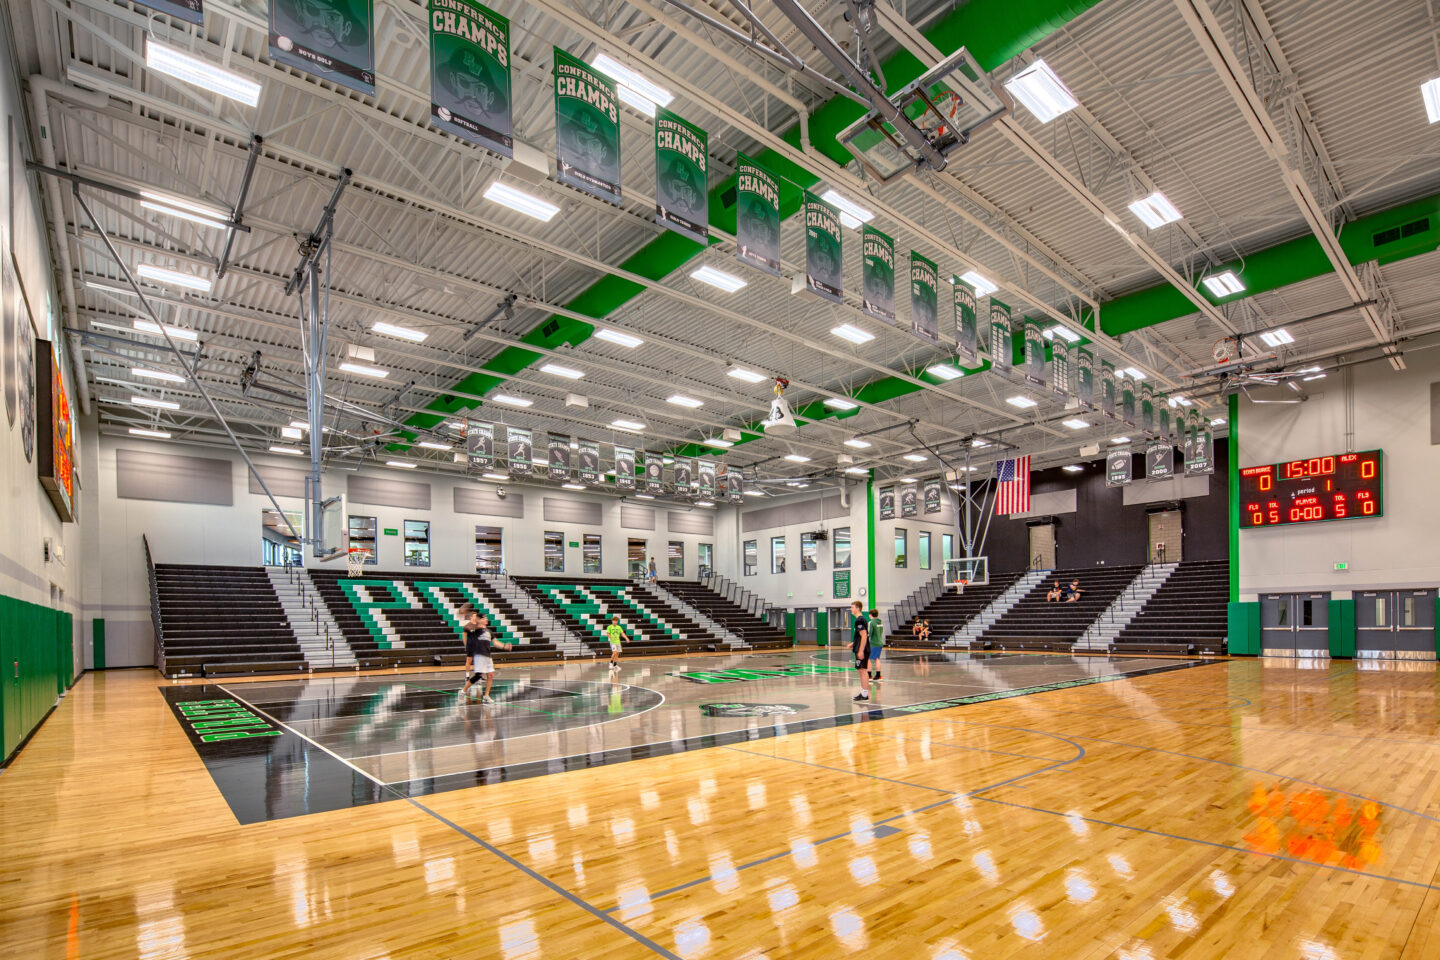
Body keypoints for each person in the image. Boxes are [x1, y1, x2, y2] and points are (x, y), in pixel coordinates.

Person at [459, 607, 512, 703]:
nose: (486, 619)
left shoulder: (489, 631)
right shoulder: (475, 630)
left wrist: (505, 646)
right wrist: (473, 619)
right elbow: (466, 628)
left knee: (490, 674)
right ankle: (463, 691)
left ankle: (486, 695)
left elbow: (495, 643)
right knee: (478, 675)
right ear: (480, 620)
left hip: (488, 655)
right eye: (484, 618)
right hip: (479, 654)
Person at [849, 600, 871, 702]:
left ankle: (865, 694)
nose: (851, 609)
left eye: (852, 607)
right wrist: (853, 644)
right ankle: (863, 692)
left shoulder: (860, 620)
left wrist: (861, 650)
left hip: (862, 649)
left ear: (857, 608)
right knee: (860, 670)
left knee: (863, 670)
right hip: (859, 647)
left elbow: (864, 636)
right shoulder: (859, 620)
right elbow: (860, 636)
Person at [867, 608, 885, 682]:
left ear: (870, 615)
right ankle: (878, 675)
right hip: (879, 642)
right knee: (876, 659)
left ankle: (869, 676)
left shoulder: (871, 622)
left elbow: (869, 633)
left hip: (873, 643)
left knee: (867, 659)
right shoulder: (880, 622)